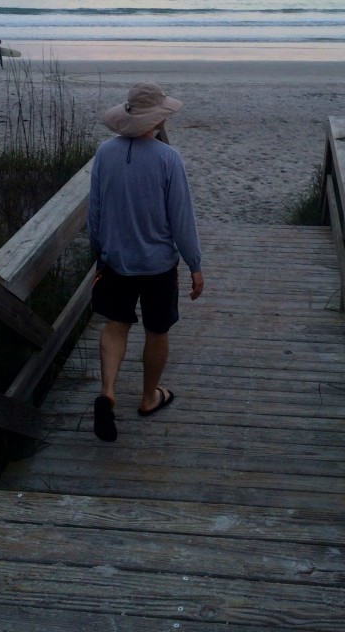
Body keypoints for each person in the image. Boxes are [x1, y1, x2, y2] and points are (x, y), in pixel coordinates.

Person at [87, 82, 204, 442]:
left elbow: (95, 211)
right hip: (157, 266)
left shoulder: (105, 153)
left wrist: (98, 255)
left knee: (115, 325)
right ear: (159, 119)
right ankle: (149, 397)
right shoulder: (169, 159)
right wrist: (194, 265)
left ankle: (108, 392)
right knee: (157, 331)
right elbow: (181, 219)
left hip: (116, 260)